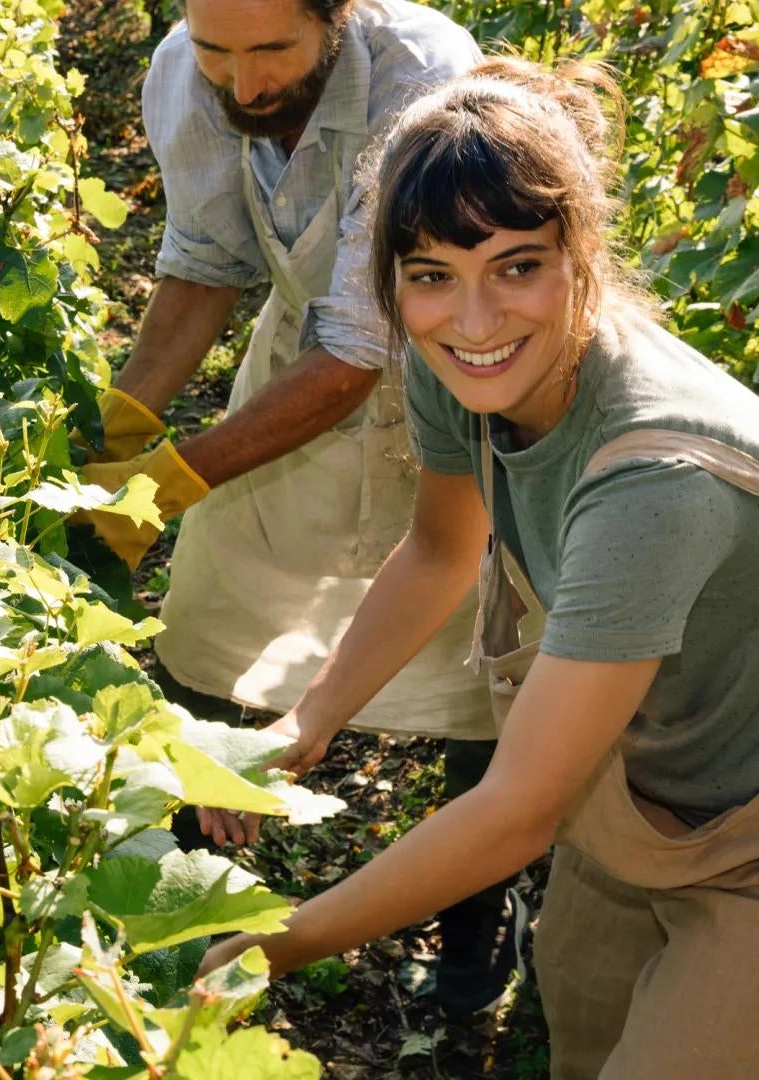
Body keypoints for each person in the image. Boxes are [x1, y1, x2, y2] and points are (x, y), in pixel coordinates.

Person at [198, 57, 759, 1078]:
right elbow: (441, 551)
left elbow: (518, 809)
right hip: (637, 791)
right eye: (431, 276)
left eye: (517, 265)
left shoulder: (659, 477)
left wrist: (275, 945)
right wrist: (303, 723)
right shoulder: (464, 375)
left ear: (582, 250)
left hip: (741, 835)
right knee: (582, 1036)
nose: (475, 320)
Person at [74, 0, 521, 1013]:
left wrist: (171, 482)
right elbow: (202, 266)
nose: (243, 84)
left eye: (273, 48)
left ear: (340, 15)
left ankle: (466, 953)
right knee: (206, 624)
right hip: (297, 369)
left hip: (459, 369)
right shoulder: (186, 77)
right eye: (216, 50)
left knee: (479, 670)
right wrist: (114, 438)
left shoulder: (420, 75)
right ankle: (202, 912)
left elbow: (362, 350)